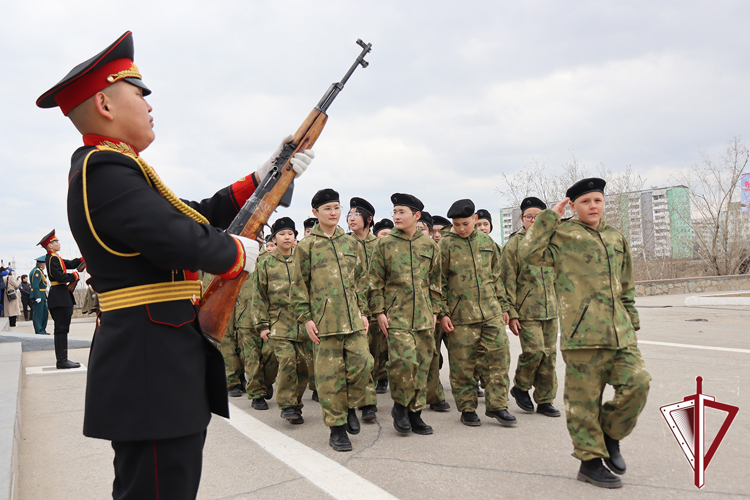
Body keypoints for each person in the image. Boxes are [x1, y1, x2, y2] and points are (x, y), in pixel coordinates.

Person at [36, 31, 313, 499]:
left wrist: (264, 176)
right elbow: (174, 235)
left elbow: (194, 213)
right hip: (151, 365)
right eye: (139, 93)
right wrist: (236, 253)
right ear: (105, 103)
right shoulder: (102, 169)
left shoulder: (120, 169)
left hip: (157, 362)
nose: (148, 104)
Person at [520, 178, 651, 489]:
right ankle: (590, 462)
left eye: (598, 200)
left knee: (639, 383)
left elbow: (626, 284)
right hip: (582, 336)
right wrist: (548, 218)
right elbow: (528, 254)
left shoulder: (616, 237)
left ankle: (610, 433)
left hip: (620, 333)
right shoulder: (563, 235)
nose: (593, 206)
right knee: (584, 403)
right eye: (586, 201)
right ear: (574, 206)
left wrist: (631, 321)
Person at [291, 189, 372, 452]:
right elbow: (298, 285)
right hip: (324, 323)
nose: (334, 213)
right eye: (327, 208)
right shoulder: (306, 246)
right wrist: (306, 319)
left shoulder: (350, 244)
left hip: (353, 319)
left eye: (337, 207)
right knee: (329, 378)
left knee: (364, 363)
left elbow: (360, 280)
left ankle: (349, 405)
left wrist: (363, 311)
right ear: (315, 213)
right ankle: (337, 430)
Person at [368, 193, 442, 436]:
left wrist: (435, 311)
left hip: (423, 315)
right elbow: (375, 281)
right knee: (403, 362)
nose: (397, 217)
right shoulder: (384, 244)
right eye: (395, 212)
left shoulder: (429, 245)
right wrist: (379, 311)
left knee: (422, 364)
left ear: (416, 216)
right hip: (396, 315)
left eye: (402, 212)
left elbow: (435, 282)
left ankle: (415, 413)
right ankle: (400, 407)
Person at [438, 199, 515, 427]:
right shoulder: (445, 245)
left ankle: (498, 406)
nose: (461, 228)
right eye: (456, 224)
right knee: (463, 365)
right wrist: (443, 313)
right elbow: (437, 282)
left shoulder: (487, 242)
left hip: (490, 312)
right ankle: (468, 408)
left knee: (499, 359)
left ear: (475, 219)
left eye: (465, 223)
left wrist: (505, 306)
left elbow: (497, 277)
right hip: (460, 316)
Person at [501, 197, 561, 418]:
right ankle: (521, 386)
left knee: (549, 356)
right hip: (526, 310)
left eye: (538, 217)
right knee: (534, 352)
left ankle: (545, 400)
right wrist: (512, 312)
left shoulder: (553, 242)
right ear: (522, 219)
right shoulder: (514, 245)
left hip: (551, 310)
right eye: (529, 217)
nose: (533, 221)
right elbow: (507, 280)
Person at [251, 217, 309, 424]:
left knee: (303, 365)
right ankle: (287, 405)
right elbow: (259, 296)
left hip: (303, 324)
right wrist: (262, 325)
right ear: (274, 239)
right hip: (278, 324)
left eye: (290, 234)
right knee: (287, 361)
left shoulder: (302, 261)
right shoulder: (266, 263)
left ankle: (296, 402)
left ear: (295, 238)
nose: (287, 237)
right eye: (282, 234)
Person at [346, 197, 382, 418]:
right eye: (348, 214)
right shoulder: (344, 243)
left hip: (378, 306)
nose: (350, 218)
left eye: (355, 214)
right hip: (353, 307)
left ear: (368, 219)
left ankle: (371, 390)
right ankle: (367, 402)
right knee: (361, 356)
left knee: (376, 354)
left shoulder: (380, 244)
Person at [39, 230, 84, 368]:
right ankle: (62, 360)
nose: (58, 243)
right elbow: (60, 276)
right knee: (61, 329)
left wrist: (82, 259)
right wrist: (74, 277)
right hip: (59, 296)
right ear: (50, 245)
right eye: (56, 242)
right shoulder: (52, 259)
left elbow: (69, 263)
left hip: (59, 296)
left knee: (62, 329)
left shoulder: (55, 257)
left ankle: (62, 360)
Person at [29, 256, 49, 335]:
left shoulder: (39, 271)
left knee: (44, 313)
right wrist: (37, 296)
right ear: (42, 265)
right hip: (39, 295)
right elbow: (35, 285)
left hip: (42, 295)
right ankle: (39, 331)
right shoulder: (37, 272)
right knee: (38, 314)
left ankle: (42, 330)